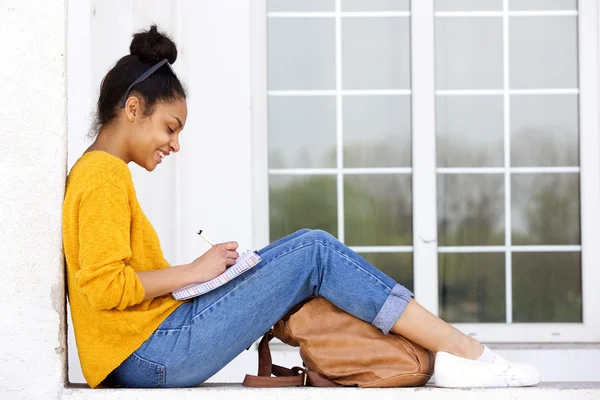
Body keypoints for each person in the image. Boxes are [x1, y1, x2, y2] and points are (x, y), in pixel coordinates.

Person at [63, 25, 541, 389]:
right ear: (132, 109)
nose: (175, 144)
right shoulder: (102, 174)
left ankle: (445, 354)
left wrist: (206, 276)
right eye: (171, 127)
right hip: (149, 354)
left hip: (148, 346)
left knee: (306, 249)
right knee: (314, 250)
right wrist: (193, 271)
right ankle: (466, 352)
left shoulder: (97, 172)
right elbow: (105, 288)